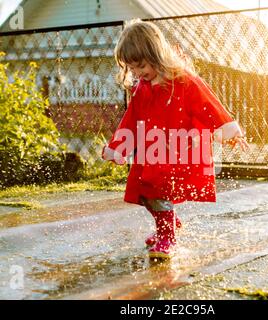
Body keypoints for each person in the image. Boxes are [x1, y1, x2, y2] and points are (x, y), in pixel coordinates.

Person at [102, 20, 249, 259]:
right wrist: (117, 148)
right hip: (151, 152)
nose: (138, 73)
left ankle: (167, 235)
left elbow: (208, 105)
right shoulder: (142, 88)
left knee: (159, 193)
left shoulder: (183, 81)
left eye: (140, 66)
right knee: (143, 192)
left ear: (155, 54)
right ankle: (167, 223)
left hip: (177, 151)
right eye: (132, 68)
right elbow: (131, 119)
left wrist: (228, 131)